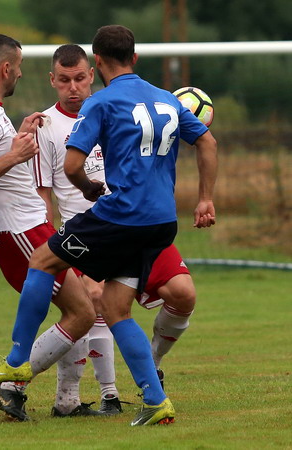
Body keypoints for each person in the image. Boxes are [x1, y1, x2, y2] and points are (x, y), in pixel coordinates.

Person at [0, 25, 218, 427]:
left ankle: (18, 362)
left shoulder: (101, 103)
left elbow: (73, 166)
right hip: (162, 222)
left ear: (98, 63)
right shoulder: (167, 98)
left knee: (42, 261)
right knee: (114, 308)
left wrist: (88, 187)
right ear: (134, 58)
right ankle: (155, 400)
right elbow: (208, 142)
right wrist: (206, 198)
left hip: (121, 215)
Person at [34, 44, 197, 415]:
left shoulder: (119, 105)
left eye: (79, 78)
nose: (73, 87)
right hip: (93, 230)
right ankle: (100, 395)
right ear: (52, 80)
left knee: (183, 293)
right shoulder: (46, 126)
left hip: (134, 220)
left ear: (93, 72)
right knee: (96, 301)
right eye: (64, 80)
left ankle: (152, 369)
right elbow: (45, 191)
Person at [0, 34, 103, 421]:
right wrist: (16, 155)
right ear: (6, 68)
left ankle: (60, 401)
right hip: (16, 229)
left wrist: (16, 141)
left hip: (29, 225)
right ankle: (11, 386)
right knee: (82, 312)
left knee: (84, 310)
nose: (20, 73)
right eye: (18, 67)